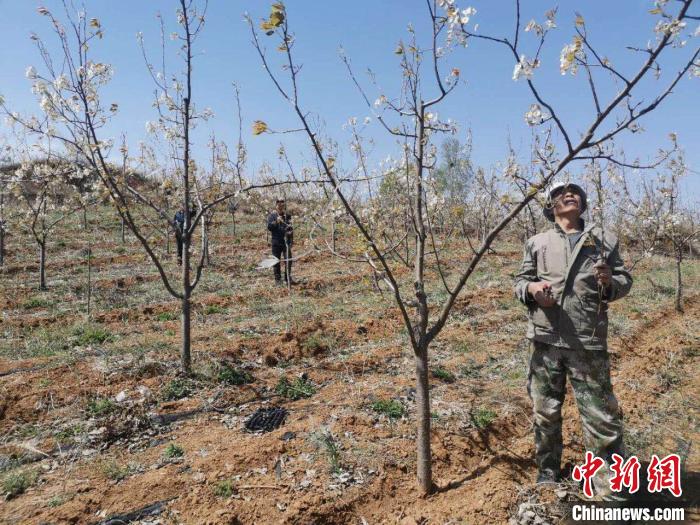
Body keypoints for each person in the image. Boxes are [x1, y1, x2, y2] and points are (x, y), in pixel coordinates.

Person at [513, 182, 633, 494]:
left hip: (587, 340)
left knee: (601, 416)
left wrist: (610, 283)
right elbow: (520, 282)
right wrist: (532, 290)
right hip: (545, 340)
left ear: (583, 203)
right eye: (561, 192)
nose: (570, 194)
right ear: (550, 206)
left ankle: (608, 485)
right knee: (546, 412)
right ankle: (548, 472)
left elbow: (623, 280)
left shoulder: (603, 239)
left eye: (575, 191)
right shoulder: (537, 242)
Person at [267, 198, 295, 285]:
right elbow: (269, 227)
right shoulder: (272, 216)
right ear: (276, 206)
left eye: (282, 205)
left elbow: (291, 228)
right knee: (276, 261)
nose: (280, 207)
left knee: (288, 260)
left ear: (284, 206)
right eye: (278, 205)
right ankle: (278, 280)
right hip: (276, 242)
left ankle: (287, 278)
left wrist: (290, 239)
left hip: (286, 242)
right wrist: (276, 222)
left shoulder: (288, 216)